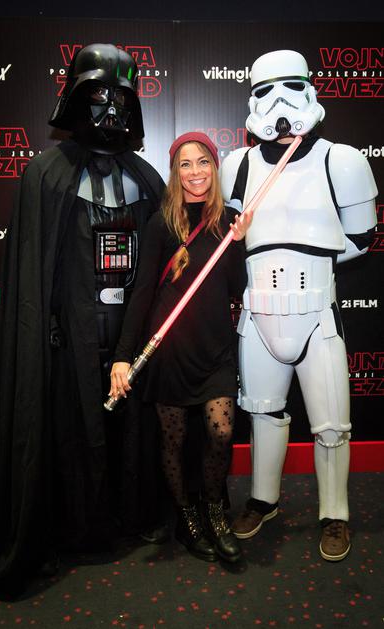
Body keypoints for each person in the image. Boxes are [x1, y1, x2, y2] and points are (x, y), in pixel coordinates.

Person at [0, 43, 165, 598]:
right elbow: (34, 276)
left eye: (121, 98)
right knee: (68, 430)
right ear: (76, 98)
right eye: (98, 96)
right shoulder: (47, 175)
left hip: (129, 334)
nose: (110, 110)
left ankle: (131, 515)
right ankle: (69, 527)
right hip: (70, 338)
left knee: (129, 428)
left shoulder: (148, 179)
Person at [221, 50, 377, 561]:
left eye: (290, 86)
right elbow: (230, 236)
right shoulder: (236, 166)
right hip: (258, 315)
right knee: (262, 413)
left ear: (309, 89)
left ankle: (335, 513)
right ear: (251, 99)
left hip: (316, 315)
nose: (279, 102)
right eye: (265, 90)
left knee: (331, 425)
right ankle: (262, 500)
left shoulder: (341, 160)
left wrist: (305, 255)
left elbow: (361, 237)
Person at [110, 131, 252, 563]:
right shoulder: (161, 224)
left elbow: (237, 288)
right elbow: (141, 294)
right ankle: (187, 517)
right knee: (173, 440)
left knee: (221, 432)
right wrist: (122, 356)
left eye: (203, 162)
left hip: (215, 347)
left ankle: (214, 511)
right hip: (169, 349)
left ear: (214, 167)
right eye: (185, 164)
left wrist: (239, 243)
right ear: (175, 172)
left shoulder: (229, 220)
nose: (195, 172)